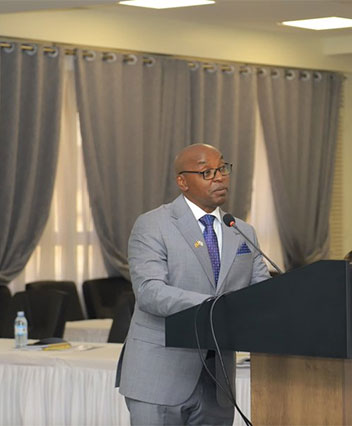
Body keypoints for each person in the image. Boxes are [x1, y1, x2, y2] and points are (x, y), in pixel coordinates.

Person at [116, 143, 271, 425]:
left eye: (222, 168)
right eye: (206, 172)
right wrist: (218, 307)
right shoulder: (153, 224)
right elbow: (150, 292)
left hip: (218, 381)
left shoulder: (241, 231)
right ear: (182, 182)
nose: (219, 177)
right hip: (161, 375)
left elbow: (263, 293)